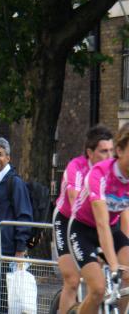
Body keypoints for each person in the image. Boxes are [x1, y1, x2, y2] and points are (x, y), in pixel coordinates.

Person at [68, 123, 129, 313]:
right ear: (119, 150)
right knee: (98, 289)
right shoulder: (100, 173)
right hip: (83, 229)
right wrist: (113, 265)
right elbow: (101, 224)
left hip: (112, 229)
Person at [53, 125, 113, 314]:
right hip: (67, 220)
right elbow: (74, 200)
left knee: (100, 283)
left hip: (94, 224)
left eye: (111, 151)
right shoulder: (76, 167)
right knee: (72, 280)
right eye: (104, 151)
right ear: (90, 153)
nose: (109, 156)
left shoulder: (112, 170)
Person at [0, 137, 33, 314]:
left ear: (8, 158)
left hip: (10, 251)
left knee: (9, 300)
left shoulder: (15, 182)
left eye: (0, 154)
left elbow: (24, 215)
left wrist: (20, 249)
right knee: (0, 298)